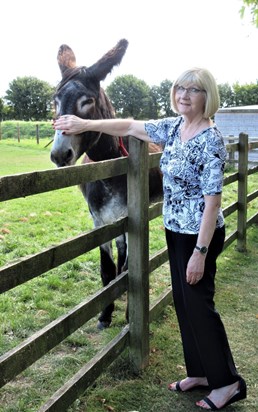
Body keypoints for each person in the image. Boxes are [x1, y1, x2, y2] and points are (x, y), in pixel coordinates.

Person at [53, 67, 247, 410]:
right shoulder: (174, 128)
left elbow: (213, 200)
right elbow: (127, 126)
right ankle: (200, 372)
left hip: (199, 235)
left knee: (200, 306)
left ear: (208, 96)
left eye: (195, 89)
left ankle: (228, 383)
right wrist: (84, 124)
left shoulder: (210, 139)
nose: (185, 94)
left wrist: (200, 252)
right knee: (186, 305)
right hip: (175, 231)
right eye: (180, 88)